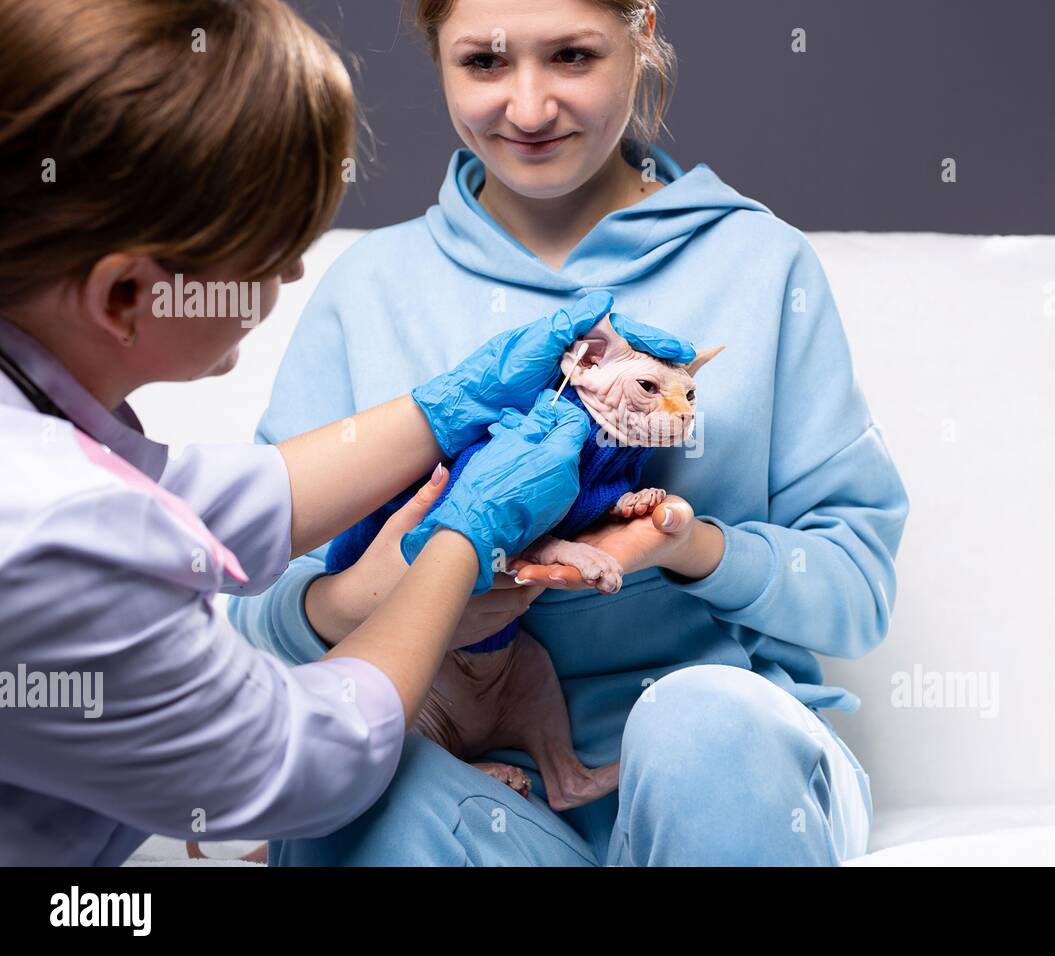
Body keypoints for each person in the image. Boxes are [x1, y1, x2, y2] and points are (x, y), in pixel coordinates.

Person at [0, 0, 690, 866]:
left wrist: (448, 407)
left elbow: (211, 502)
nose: (292, 271)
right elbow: (305, 764)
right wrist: (460, 542)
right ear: (127, 296)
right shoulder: (49, 539)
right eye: (272, 247)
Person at [230, 0, 910, 866]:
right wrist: (389, 590)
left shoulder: (764, 265)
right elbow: (249, 615)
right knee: (360, 783)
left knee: (707, 723)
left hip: (726, 786)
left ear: (642, 32)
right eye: (484, 63)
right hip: (467, 791)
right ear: (436, 54)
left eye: (572, 57)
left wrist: (682, 547)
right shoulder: (368, 288)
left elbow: (857, 592)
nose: (528, 107)